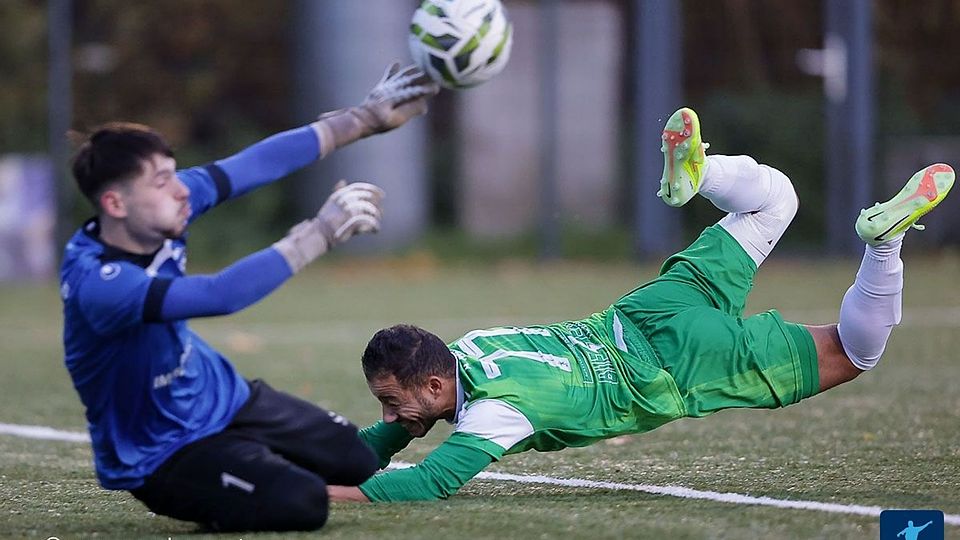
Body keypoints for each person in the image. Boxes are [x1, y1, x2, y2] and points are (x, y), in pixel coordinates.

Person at [327, 107, 955, 503]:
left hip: (676, 367)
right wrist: (325, 456)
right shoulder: (466, 351)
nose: (388, 413)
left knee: (854, 354)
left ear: (435, 384)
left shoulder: (495, 414)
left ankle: (887, 240)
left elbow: (430, 482)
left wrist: (326, 493)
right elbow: (398, 427)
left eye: (391, 399)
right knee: (775, 200)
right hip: (648, 312)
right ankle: (700, 175)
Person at [60, 63, 439, 531]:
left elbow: (255, 164)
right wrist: (317, 233)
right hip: (161, 450)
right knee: (304, 505)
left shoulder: (164, 207)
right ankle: (233, 474)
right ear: (115, 204)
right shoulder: (100, 283)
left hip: (223, 396)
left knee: (357, 460)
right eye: (161, 181)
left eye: (174, 173)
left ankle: (249, 461)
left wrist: (362, 120)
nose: (181, 190)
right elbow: (221, 294)